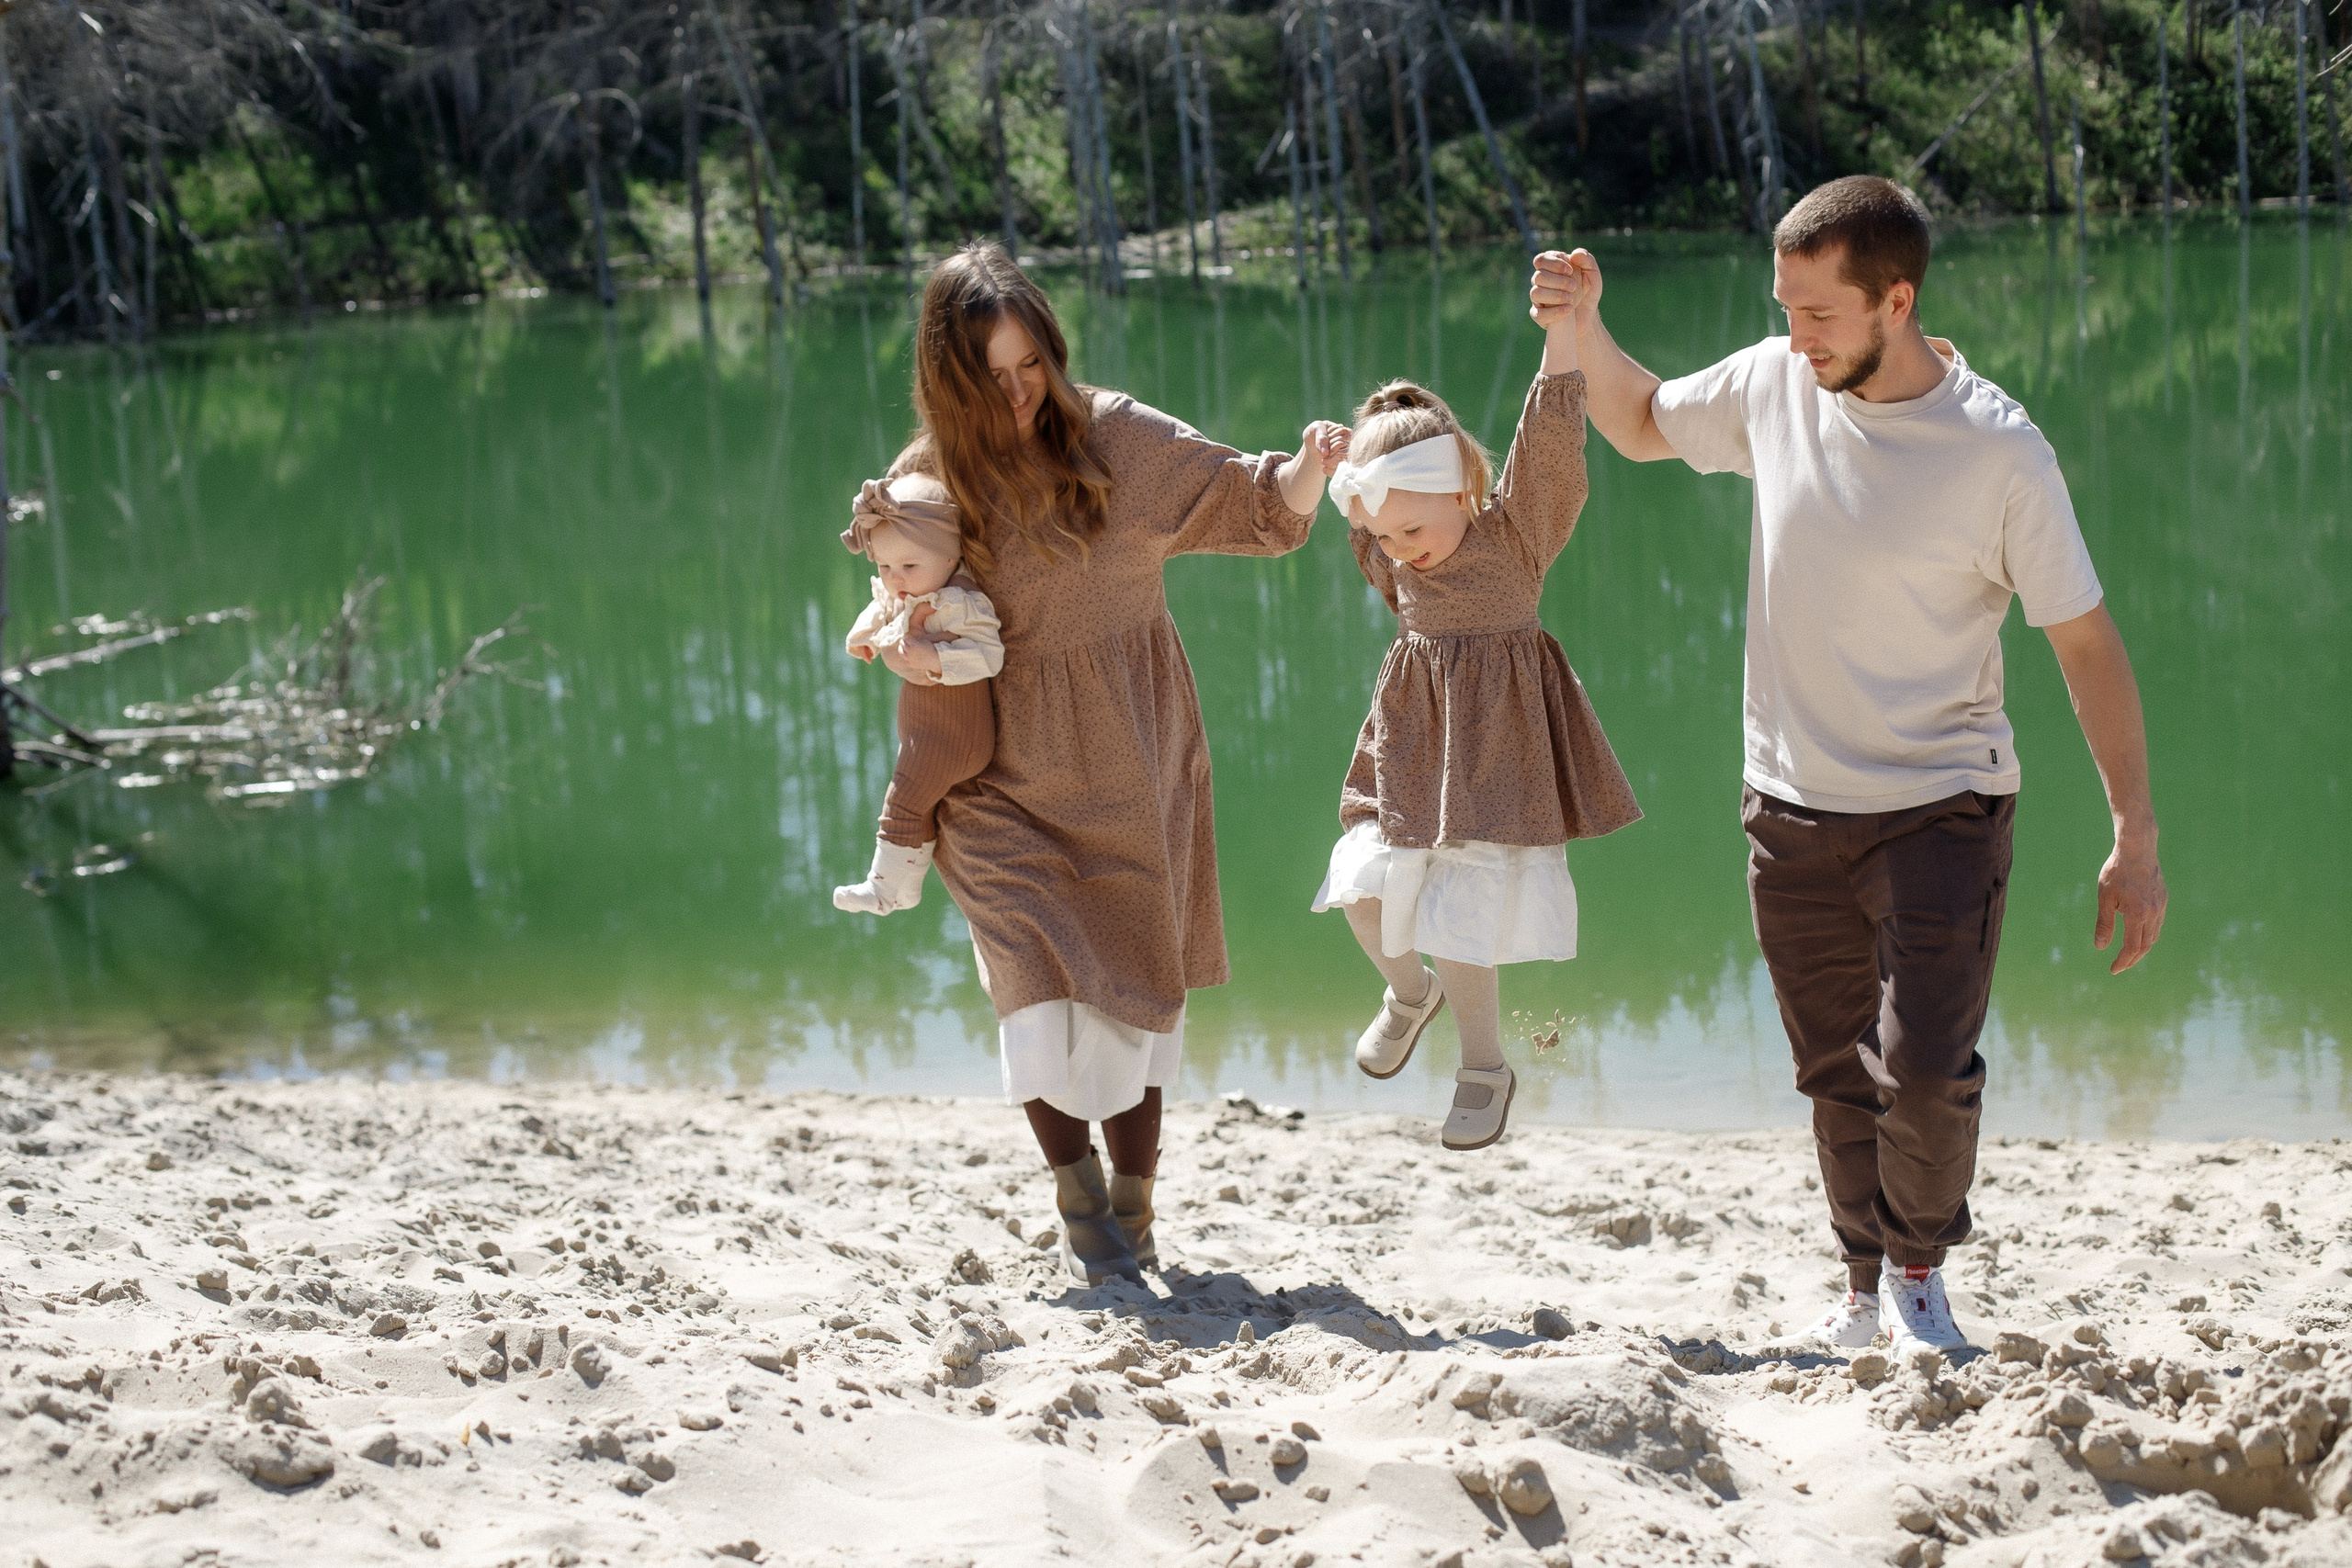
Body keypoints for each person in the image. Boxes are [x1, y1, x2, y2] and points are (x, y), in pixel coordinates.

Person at [1534, 175, 2167, 1355]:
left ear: (1896, 299)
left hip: (1943, 808)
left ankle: (1919, 1266)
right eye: (1784, 307)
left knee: (1922, 1073)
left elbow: (2084, 639)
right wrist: (1581, 329)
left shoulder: (1998, 452)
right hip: (1787, 806)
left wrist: (2133, 831)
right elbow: (1635, 422)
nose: (1794, 334)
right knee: (1835, 1071)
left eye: (1818, 313)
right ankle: (1860, 1279)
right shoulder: (1779, 383)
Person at [874, 242, 1346, 1286]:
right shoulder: (931, 483)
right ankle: (1075, 1193)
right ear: (946, 383)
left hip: (1132, 756)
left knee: (1133, 1000)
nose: (1016, 393)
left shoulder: (1118, 439)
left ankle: (1136, 1205)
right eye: (988, 377)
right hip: (996, 777)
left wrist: (1313, 464)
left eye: (1029, 364)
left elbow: (1253, 504)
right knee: (1034, 995)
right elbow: (889, 597)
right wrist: (895, 642)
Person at [1309, 290, 1640, 1151]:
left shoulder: (1515, 535)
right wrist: (1349, 456)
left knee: (1460, 909)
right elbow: (1373, 516)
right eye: (1381, 536)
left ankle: (1485, 1066)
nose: (1399, 550)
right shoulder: (1390, 542)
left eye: (1412, 528)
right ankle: (1408, 994)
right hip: (1413, 742)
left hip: (1496, 749)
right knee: (1359, 884)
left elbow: (1549, 450)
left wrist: (1562, 337)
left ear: (1461, 488)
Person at [832, 473, 1003, 916]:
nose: (896, 580)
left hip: (953, 737)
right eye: (885, 568)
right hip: (927, 732)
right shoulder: (911, 591)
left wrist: (935, 657)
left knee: (904, 799)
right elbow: (882, 609)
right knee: (920, 805)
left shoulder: (960, 602)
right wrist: (864, 636)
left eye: (908, 567)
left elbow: (990, 656)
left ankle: (882, 889)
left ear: (951, 556)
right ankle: (906, 887)